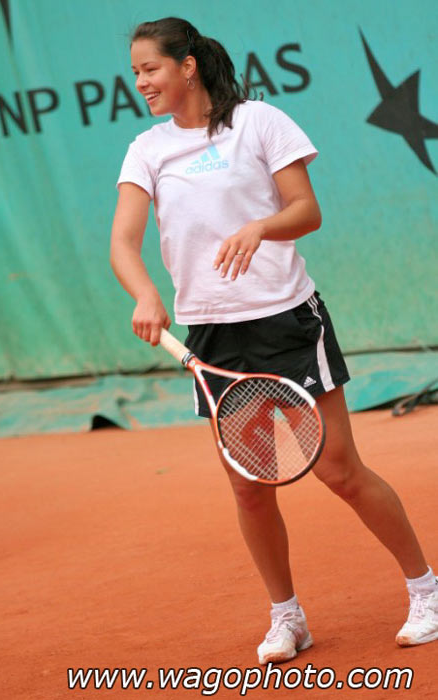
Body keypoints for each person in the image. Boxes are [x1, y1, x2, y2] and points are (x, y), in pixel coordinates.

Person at [110, 17, 438, 664]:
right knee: (249, 488)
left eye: (149, 68)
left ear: (187, 66)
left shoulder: (258, 123)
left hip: (285, 318)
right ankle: (287, 617)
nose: (141, 81)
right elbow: (123, 242)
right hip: (211, 335)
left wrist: (259, 229)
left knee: (339, 470)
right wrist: (146, 296)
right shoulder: (147, 149)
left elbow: (304, 211)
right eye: (135, 72)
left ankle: (425, 589)